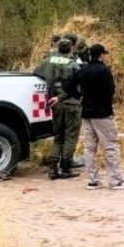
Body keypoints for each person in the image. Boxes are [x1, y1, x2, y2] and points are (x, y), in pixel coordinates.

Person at [75, 43, 124, 190]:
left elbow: (70, 85)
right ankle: (116, 180)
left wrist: (80, 96)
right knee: (110, 146)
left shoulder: (83, 70)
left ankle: (92, 180)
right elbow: (111, 91)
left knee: (89, 148)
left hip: (86, 113)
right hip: (103, 113)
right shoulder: (104, 71)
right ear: (101, 55)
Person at [34, 38, 81, 180]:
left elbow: (37, 72)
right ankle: (66, 167)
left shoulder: (48, 61)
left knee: (58, 137)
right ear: (71, 49)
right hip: (71, 102)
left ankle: (53, 169)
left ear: (57, 48)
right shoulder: (73, 64)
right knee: (71, 136)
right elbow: (78, 84)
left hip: (54, 102)